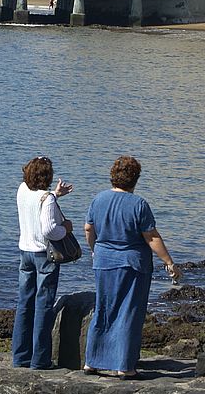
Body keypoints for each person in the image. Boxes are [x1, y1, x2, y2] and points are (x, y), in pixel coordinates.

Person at [82, 155, 182, 379]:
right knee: (129, 312)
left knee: (103, 309)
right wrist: (169, 261)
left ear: (113, 177)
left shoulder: (98, 199)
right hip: (132, 263)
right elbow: (151, 237)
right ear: (135, 179)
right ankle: (124, 365)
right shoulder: (138, 204)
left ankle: (92, 360)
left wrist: (95, 250)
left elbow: (88, 229)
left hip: (104, 261)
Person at [12, 156, 74, 370]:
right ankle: (40, 360)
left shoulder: (22, 190)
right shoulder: (46, 199)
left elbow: (35, 203)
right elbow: (49, 230)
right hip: (43, 255)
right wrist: (66, 228)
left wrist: (55, 195)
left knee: (24, 304)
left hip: (25, 252)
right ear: (47, 176)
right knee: (43, 306)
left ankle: (20, 357)